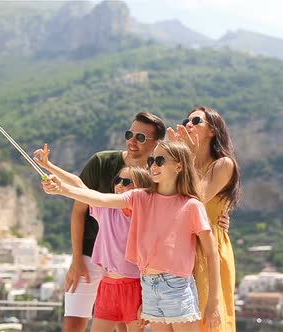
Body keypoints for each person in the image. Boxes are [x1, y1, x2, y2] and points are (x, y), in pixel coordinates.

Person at [42, 141, 222, 332]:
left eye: (160, 160)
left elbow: (212, 255)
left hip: (176, 286)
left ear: (179, 166)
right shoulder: (140, 198)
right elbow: (100, 198)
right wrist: (62, 189)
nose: (153, 165)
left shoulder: (192, 206)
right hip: (148, 286)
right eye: (152, 160)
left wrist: (214, 302)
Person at [61, 112, 166, 332]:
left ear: (156, 144)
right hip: (91, 254)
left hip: (130, 269)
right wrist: (76, 258)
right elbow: (80, 206)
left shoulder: (157, 174)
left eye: (141, 137)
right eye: (130, 134)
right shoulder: (102, 162)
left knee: (124, 326)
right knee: (73, 322)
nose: (132, 141)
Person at [34, 144, 153, 332]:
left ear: (141, 190)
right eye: (118, 180)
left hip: (134, 286)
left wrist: (60, 189)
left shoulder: (142, 211)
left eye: (127, 182)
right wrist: (49, 166)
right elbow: (81, 186)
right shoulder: (105, 210)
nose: (120, 185)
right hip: (107, 285)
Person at [168, 106, 240, 332]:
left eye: (196, 121)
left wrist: (186, 158)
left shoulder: (223, 164)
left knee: (209, 321)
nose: (189, 124)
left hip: (210, 250)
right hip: (181, 248)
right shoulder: (182, 166)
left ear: (212, 130)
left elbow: (196, 201)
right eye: (186, 120)